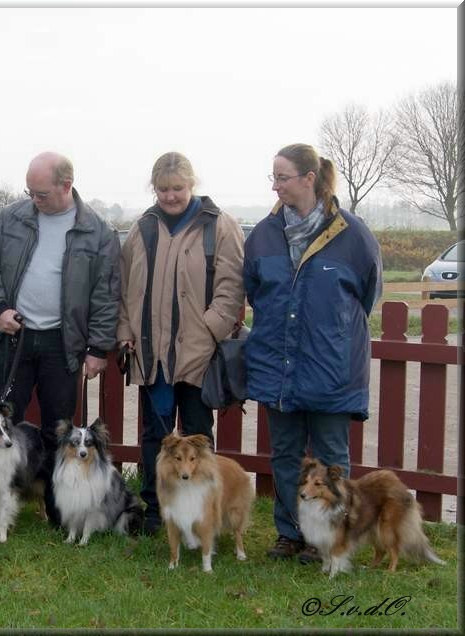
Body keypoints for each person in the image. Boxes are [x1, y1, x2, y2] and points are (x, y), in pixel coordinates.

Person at [244, 143, 382, 562]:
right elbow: (254, 291)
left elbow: (368, 294)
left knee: (331, 459)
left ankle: (329, 539)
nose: (275, 186)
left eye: (282, 177)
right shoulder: (263, 235)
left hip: (331, 368)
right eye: (272, 177)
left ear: (309, 178)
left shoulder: (352, 235)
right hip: (278, 366)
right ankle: (290, 533)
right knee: (285, 455)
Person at [116, 151, 245, 535]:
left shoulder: (219, 225)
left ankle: (202, 509)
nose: (170, 196)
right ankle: (156, 509)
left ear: (192, 185)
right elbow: (123, 287)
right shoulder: (142, 229)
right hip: (151, 354)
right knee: (155, 435)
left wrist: (210, 328)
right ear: (154, 189)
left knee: (196, 434)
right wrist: (126, 332)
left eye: (177, 188)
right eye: (163, 189)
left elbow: (232, 285)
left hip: (198, 354)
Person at [0, 151, 120, 471]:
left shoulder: (98, 232)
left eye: (41, 194)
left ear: (66, 185)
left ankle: (53, 495)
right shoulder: (11, 218)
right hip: (15, 337)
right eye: (29, 192)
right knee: (0, 423)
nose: (34, 200)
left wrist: (98, 348)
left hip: (63, 344)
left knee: (58, 429)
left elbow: (106, 294)